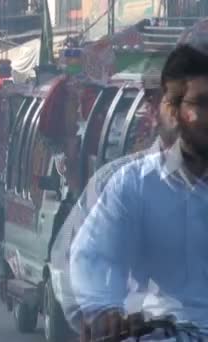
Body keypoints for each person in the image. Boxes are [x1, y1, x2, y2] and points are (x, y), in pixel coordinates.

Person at [69, 44, 208, 340]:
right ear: (172, 111)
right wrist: (104, 311)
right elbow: (96, 257)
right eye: (203, 104)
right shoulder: (132, 186)